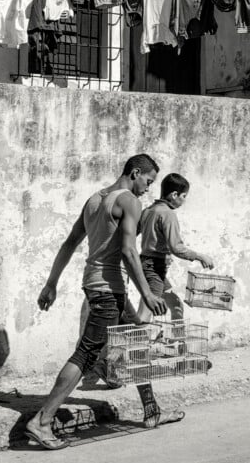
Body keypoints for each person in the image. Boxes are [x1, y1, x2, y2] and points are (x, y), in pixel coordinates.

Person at [25, 154, 182, 450]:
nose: (148, 189)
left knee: (135, 343)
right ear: (135, 173)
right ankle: (42, 422)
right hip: (108, 290)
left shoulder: (95, 200)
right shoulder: (128, 201)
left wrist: (51, 283)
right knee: (85, 354)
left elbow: (70, 242)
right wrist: (148, 293)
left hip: (95, 284)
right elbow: (128, 251)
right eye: (148, 181)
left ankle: (152, 411)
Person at [135, 173, 215, 323]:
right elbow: (176, 247)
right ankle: (135, 344)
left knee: (176, 305)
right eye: (184, 196)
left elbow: (133, 233)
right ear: (174, 194)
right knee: (145, 314)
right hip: (154, 268)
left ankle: (177, 343)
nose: (184, 201)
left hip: (147, 264)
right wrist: (200, 256)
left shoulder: (148, 211)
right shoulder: (168, 214)